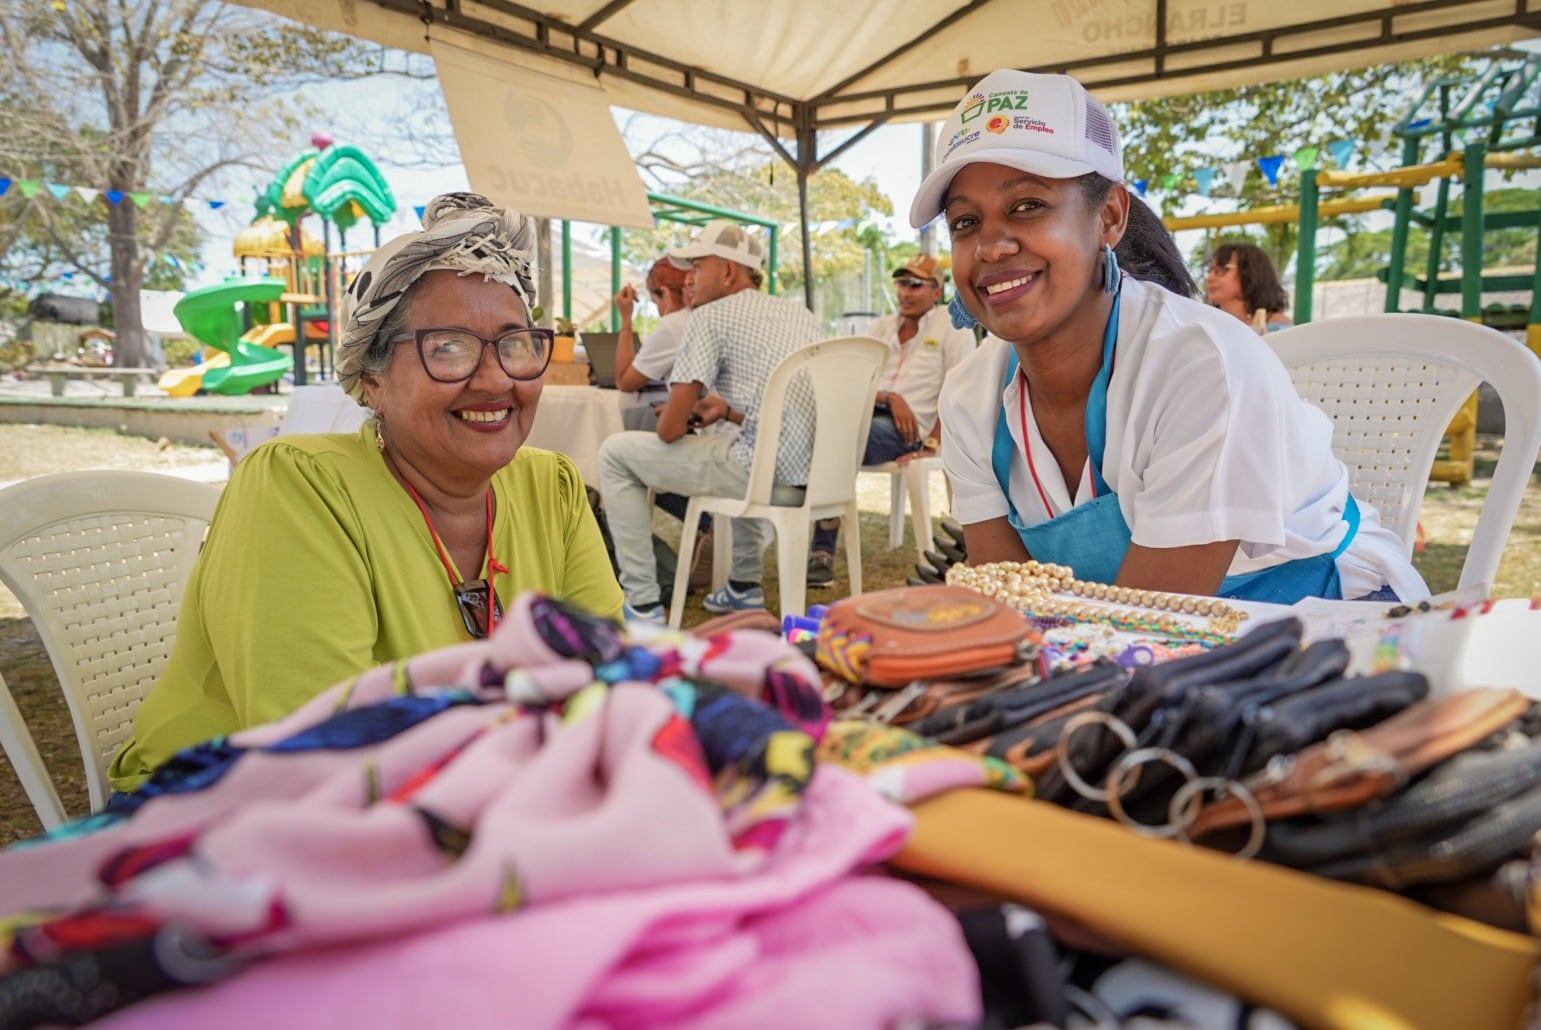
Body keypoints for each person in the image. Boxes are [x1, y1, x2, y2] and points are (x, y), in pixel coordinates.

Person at [109, 193, 624, 792]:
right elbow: (325, 751)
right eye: (448, 348)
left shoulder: (552, 487)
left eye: (514, 344)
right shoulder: (299, 486)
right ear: (372, 380)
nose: (494, 380)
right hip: (232, 810)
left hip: (485, 798)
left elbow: (606, 683)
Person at [921, 70, 1426, 604]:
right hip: (1126, 635)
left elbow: (1156, 623)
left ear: (1109, 217)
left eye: (1028, 206)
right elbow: (1010, 604)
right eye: (965, 222)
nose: (991, 246)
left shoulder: (1202, 364)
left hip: (1323, 621)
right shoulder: (969, 396)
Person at [597, 219, 824, 623]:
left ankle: (643, 605)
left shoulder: (709, 316)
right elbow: (786, 410)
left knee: (616, 453)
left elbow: (668, 432)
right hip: (816, 478)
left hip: (763, 478)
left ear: (728, 272)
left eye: (698, 267)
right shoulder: (801, 315)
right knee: (737, 441)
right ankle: (743, 587)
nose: (692, 277)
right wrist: (728, 410)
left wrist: (676, 417)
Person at [807, 254, 974, 587]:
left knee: (839, 437)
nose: (905, 292)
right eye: (901, 283)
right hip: (868, 411)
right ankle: (809, 534)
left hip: (912, 430)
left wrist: (933, 444)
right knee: (822, 426)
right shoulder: (880, 327)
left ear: (936, 290)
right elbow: (852, 378)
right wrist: (888, 397)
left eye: (915, 284)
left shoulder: (951, 325)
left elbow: (960, 391)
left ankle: (821, 548)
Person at [613, 258, 690, 430]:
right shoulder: (705, 315)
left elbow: (625, 382)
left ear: (665, 293)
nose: (658, 309)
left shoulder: (674, 324)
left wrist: (626, 319)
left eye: (655, 302)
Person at [1206, 241, 1293, 331]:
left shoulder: (1279, 327)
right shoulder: (1206, 325)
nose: (1210, 278)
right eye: (1210, 270)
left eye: (1222, 269)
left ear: (1250, 273)